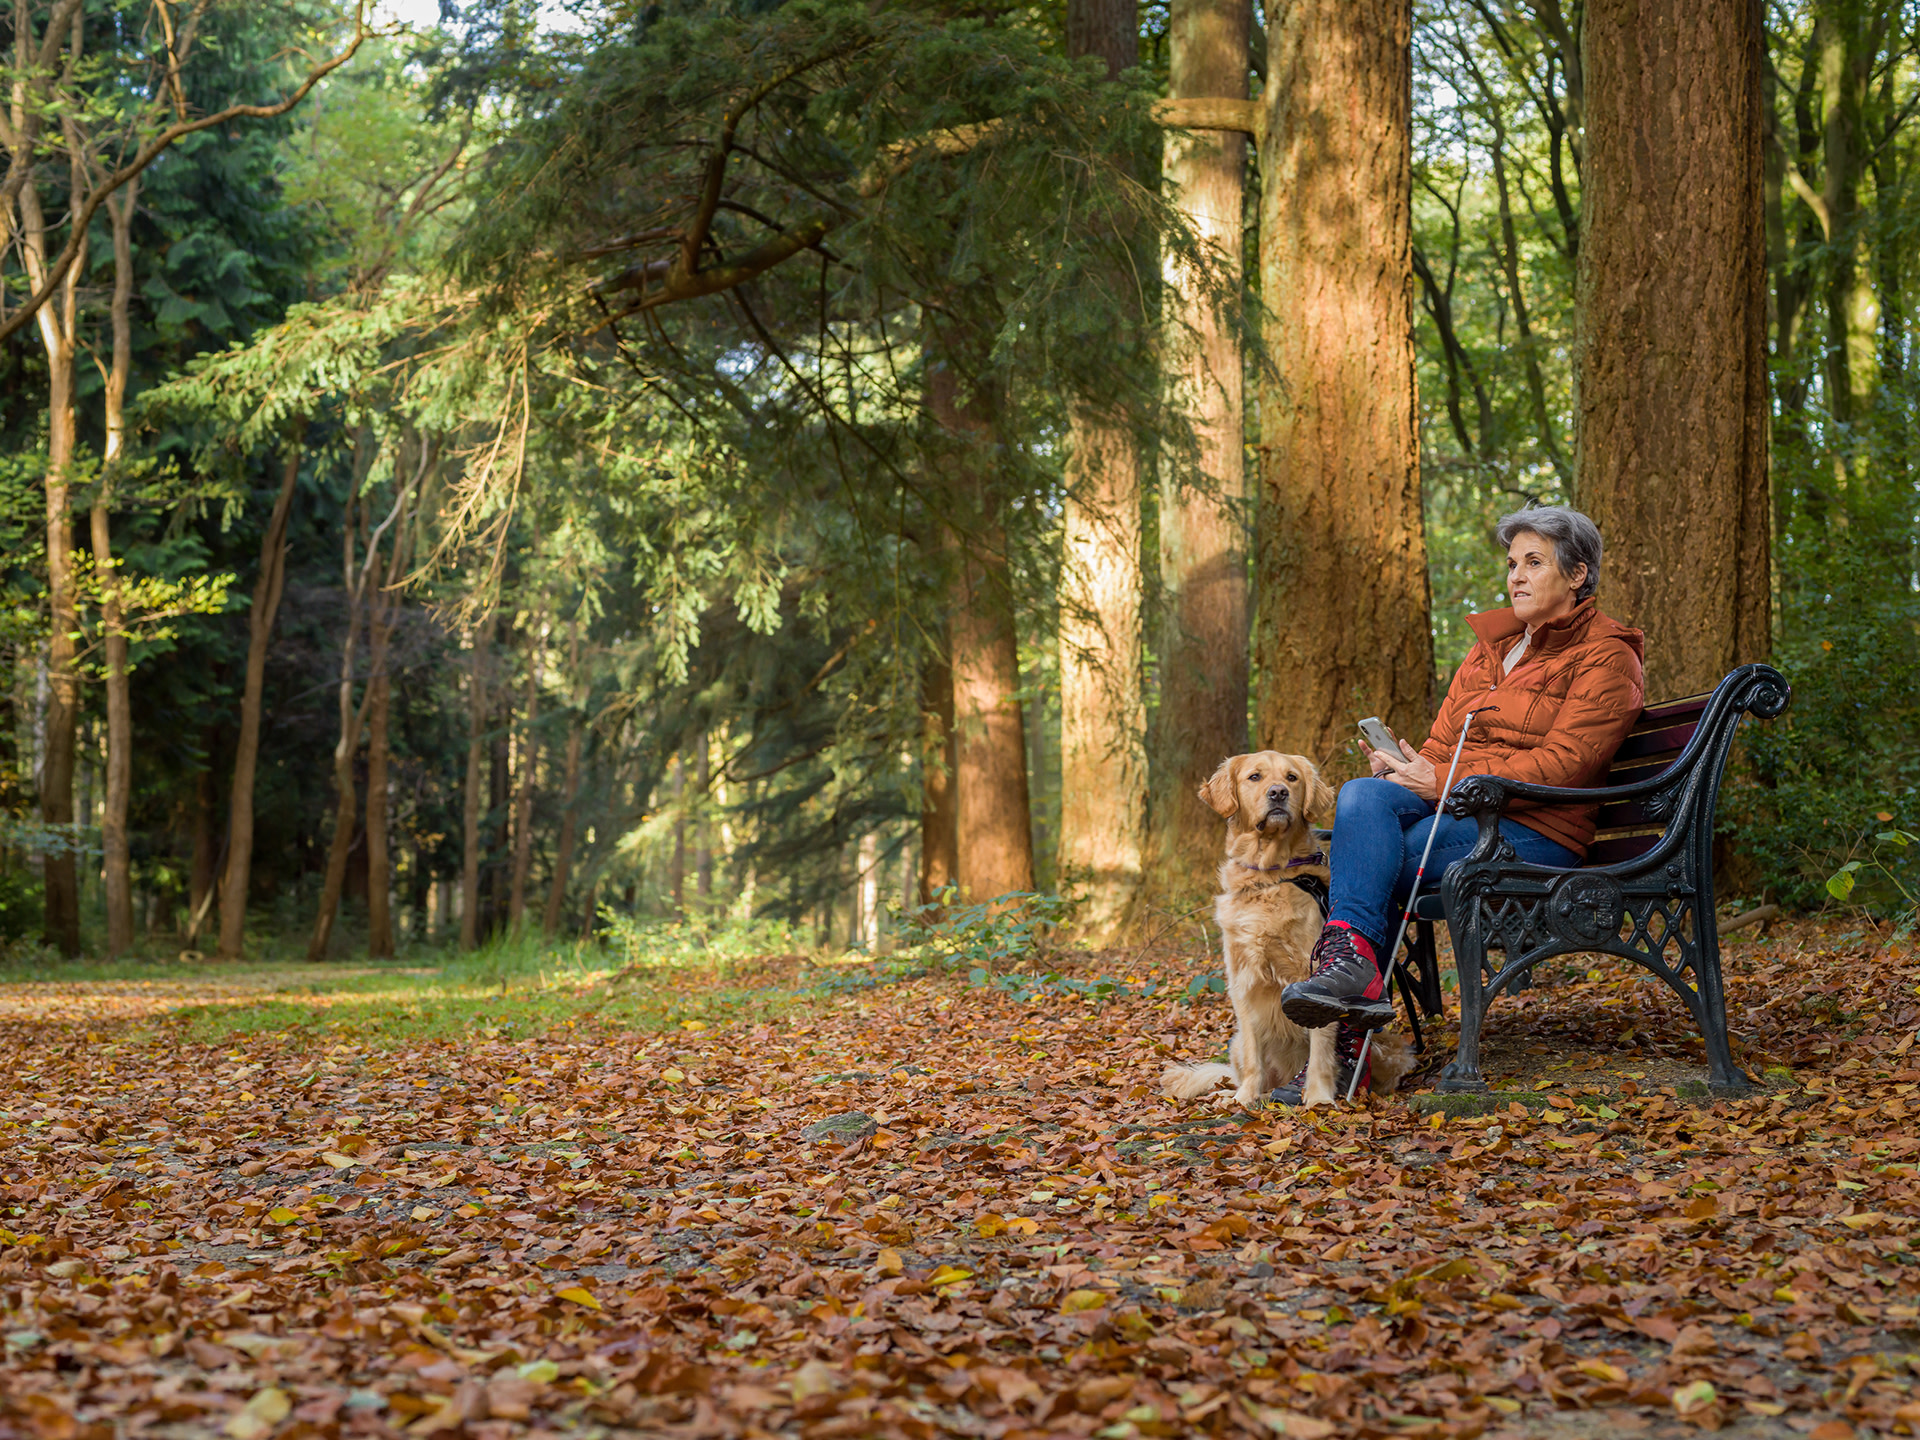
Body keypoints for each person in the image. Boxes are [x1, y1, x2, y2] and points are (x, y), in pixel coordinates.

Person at [1273, 505, 1645, 1101]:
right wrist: (1409, 766)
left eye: (1533, 562)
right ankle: (1352, 967)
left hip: (1538, 828)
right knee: (1364, 793)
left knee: (1381, 854)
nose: (1515, 577)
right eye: (1511, 564)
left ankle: (1348, 1043)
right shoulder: (1491, 648)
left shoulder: (1607, 655)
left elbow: (1567, 763)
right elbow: (1445, 745)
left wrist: (1440, 779)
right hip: (1467, 812)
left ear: (1577, 575)